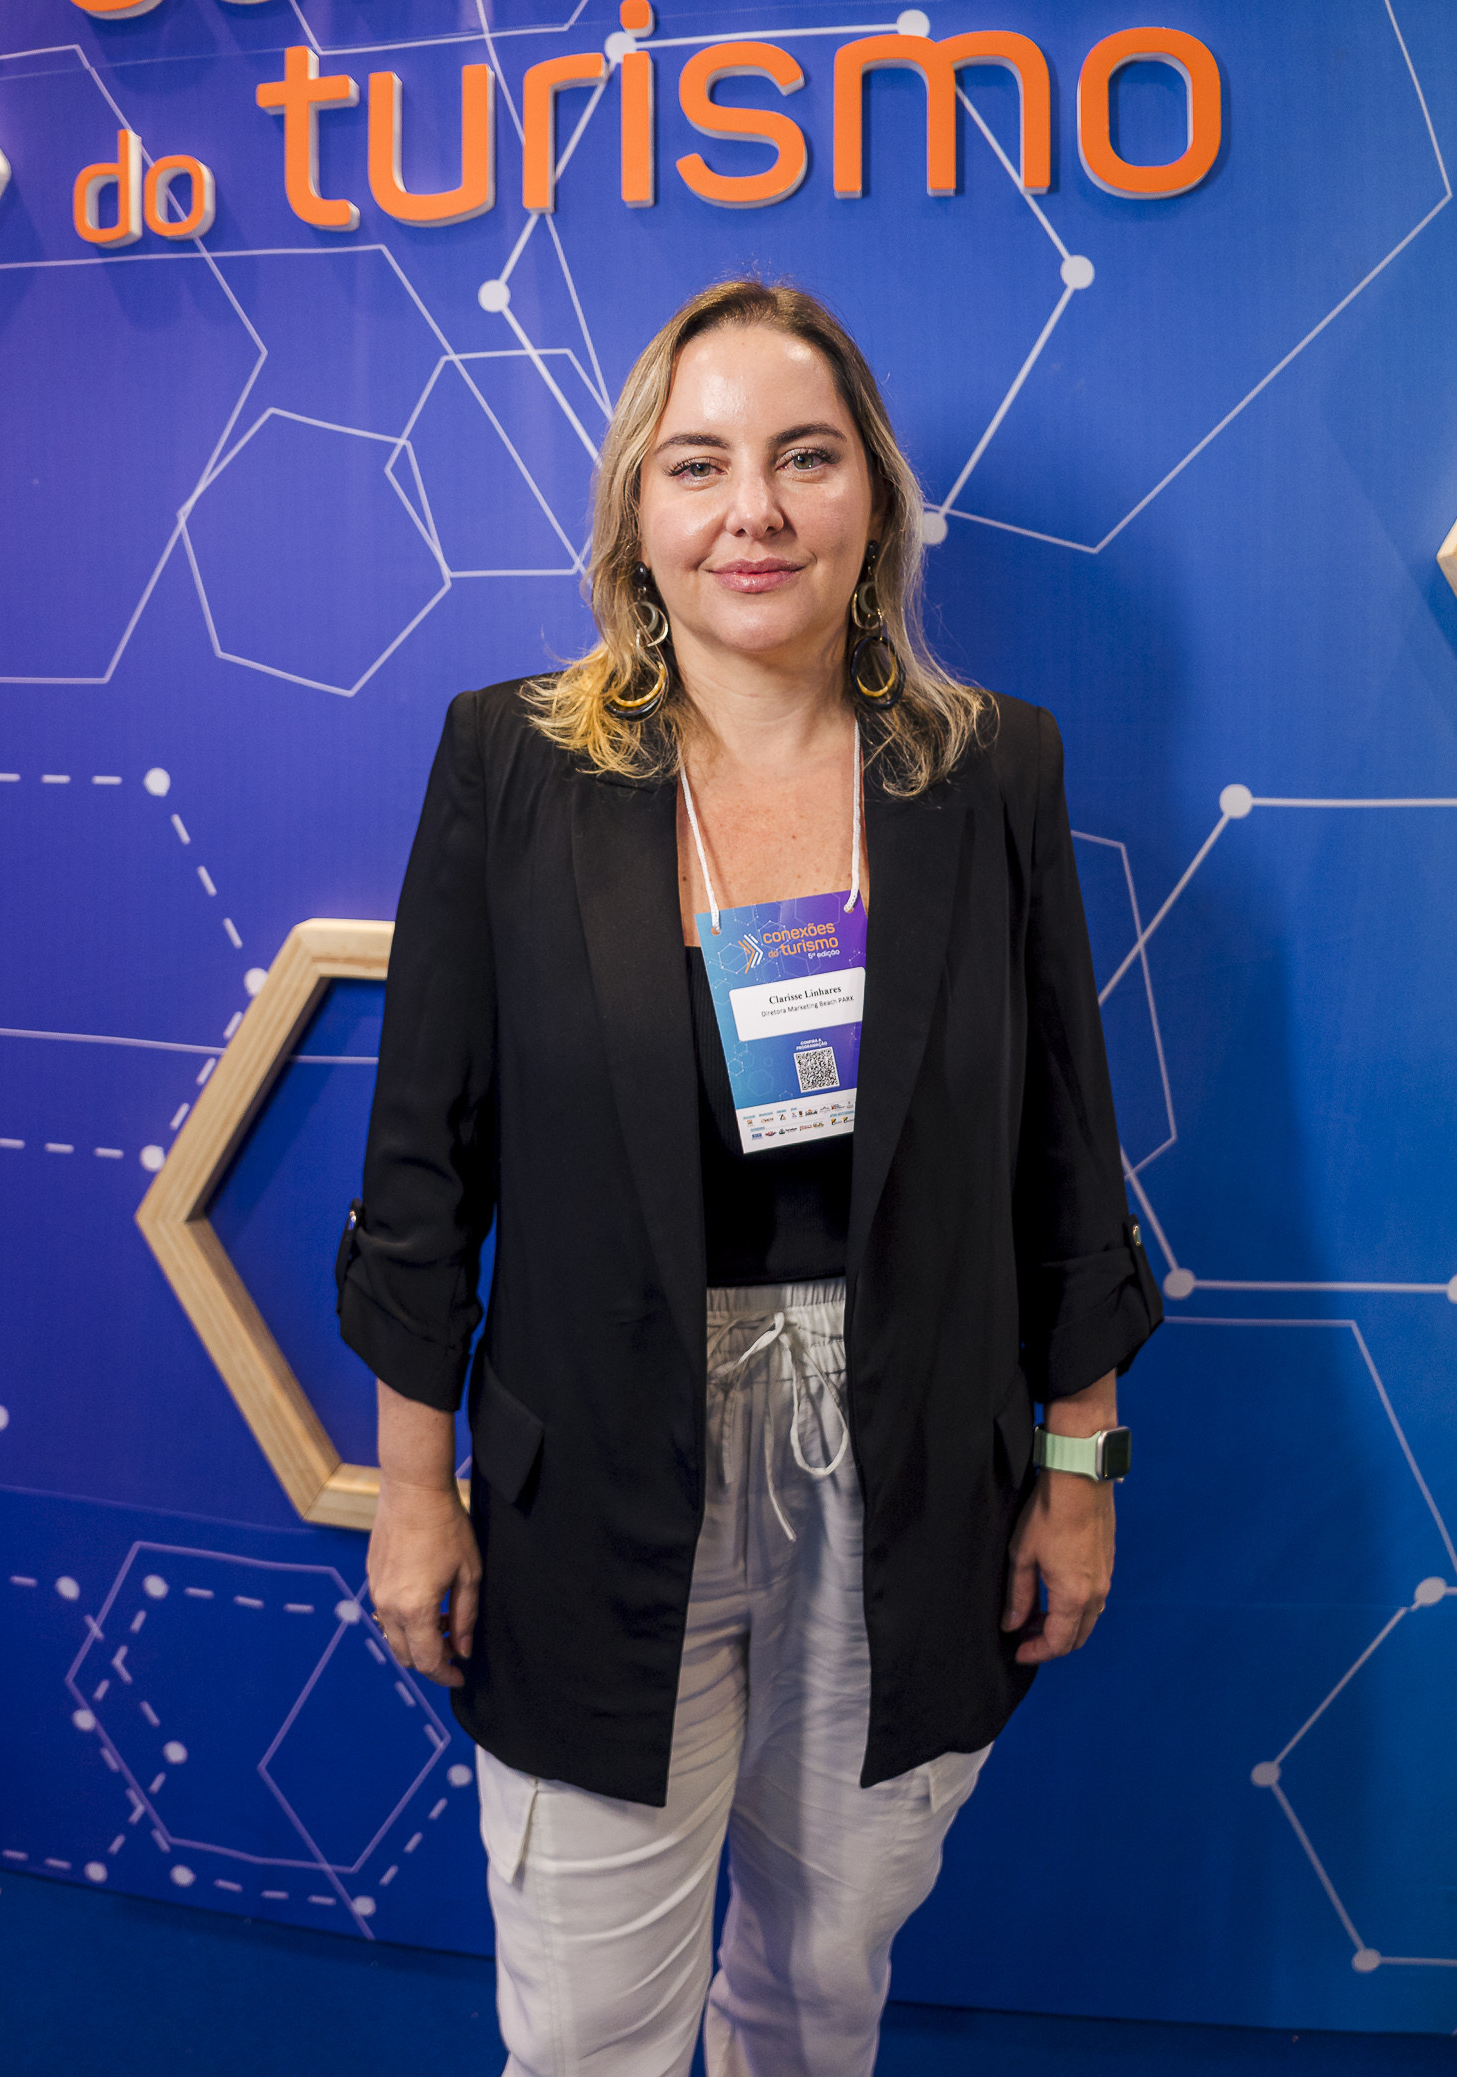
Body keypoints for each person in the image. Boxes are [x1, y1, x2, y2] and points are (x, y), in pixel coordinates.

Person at [335, 278, 1161, 2077]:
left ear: (875, 497)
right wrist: (411, 1491)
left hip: (917, 1476)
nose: (755, 513)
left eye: (805, 457)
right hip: (595, 1470)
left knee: (819, 1991)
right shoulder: (514, 762)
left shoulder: (988, 769)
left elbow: (1065, 1157)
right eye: (699, 465)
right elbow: (422, 1168)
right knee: (588, 2026)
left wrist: (1080, 1472)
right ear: (637, 510)